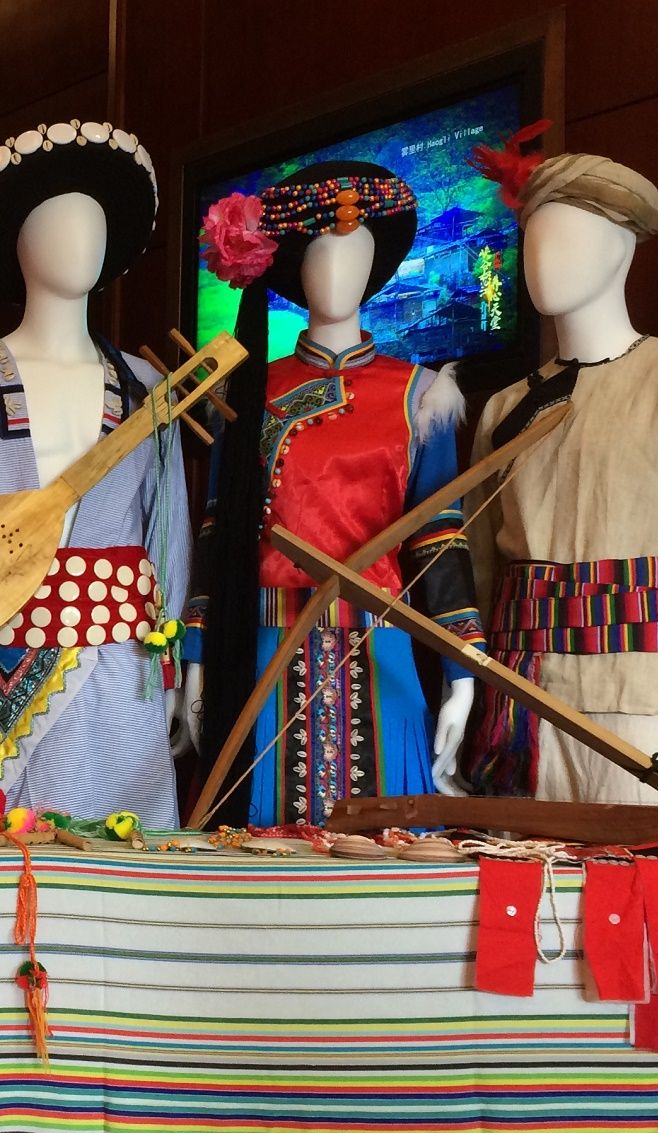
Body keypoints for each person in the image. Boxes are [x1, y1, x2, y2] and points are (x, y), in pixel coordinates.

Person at [453, 129, 658, 805]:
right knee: (513, 871)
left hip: (639, 712)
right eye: (532, 240)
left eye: (568, 238)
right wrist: (469, 697)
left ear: (621, 248)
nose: (543, 259)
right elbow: (481, 575)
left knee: (637, 872)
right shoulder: (504, 410)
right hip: (517, 709)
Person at [0, 119, 190, 825]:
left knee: (130, 855)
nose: (79, 236)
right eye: (56, 220)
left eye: (92, 220)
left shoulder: (149, 387)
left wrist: (174, 663)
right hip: (7, 652)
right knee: (12, 855)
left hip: (126, 665)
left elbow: (170, 533)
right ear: (18, 245)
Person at [187, 162, 481, 827]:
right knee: (261, 843)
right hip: (263, 646)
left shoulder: (419, 395)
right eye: (319, 252)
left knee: (385, 844)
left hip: (381, 649)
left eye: (354, 252)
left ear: (379, 267)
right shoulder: (248, 393)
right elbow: (218, 532)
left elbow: (440, 538)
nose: (336, 270)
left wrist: (464, 668)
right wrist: (198, 657)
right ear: (293, 267)